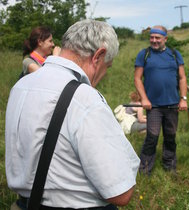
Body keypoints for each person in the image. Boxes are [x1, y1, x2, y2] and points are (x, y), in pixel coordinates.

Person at [5, 20, 140, 210]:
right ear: (98, 55)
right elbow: (121, 193)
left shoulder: (20, 86)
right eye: (107, 66)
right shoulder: (84, 98)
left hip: (25, 203)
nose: (104, 74)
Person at [134, 25, 187, 175]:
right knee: (152, 136)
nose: (154, 40)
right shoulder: (144, 54)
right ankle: (144, 170)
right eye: (152, 37)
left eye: (157, 38)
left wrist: (183, 99)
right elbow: (137, 78)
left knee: (170, 136)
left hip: (173, 105)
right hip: (153, 106)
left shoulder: (175, 54)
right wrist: (144, 99)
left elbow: (182, 78)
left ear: (165, 38)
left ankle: (169, 167)